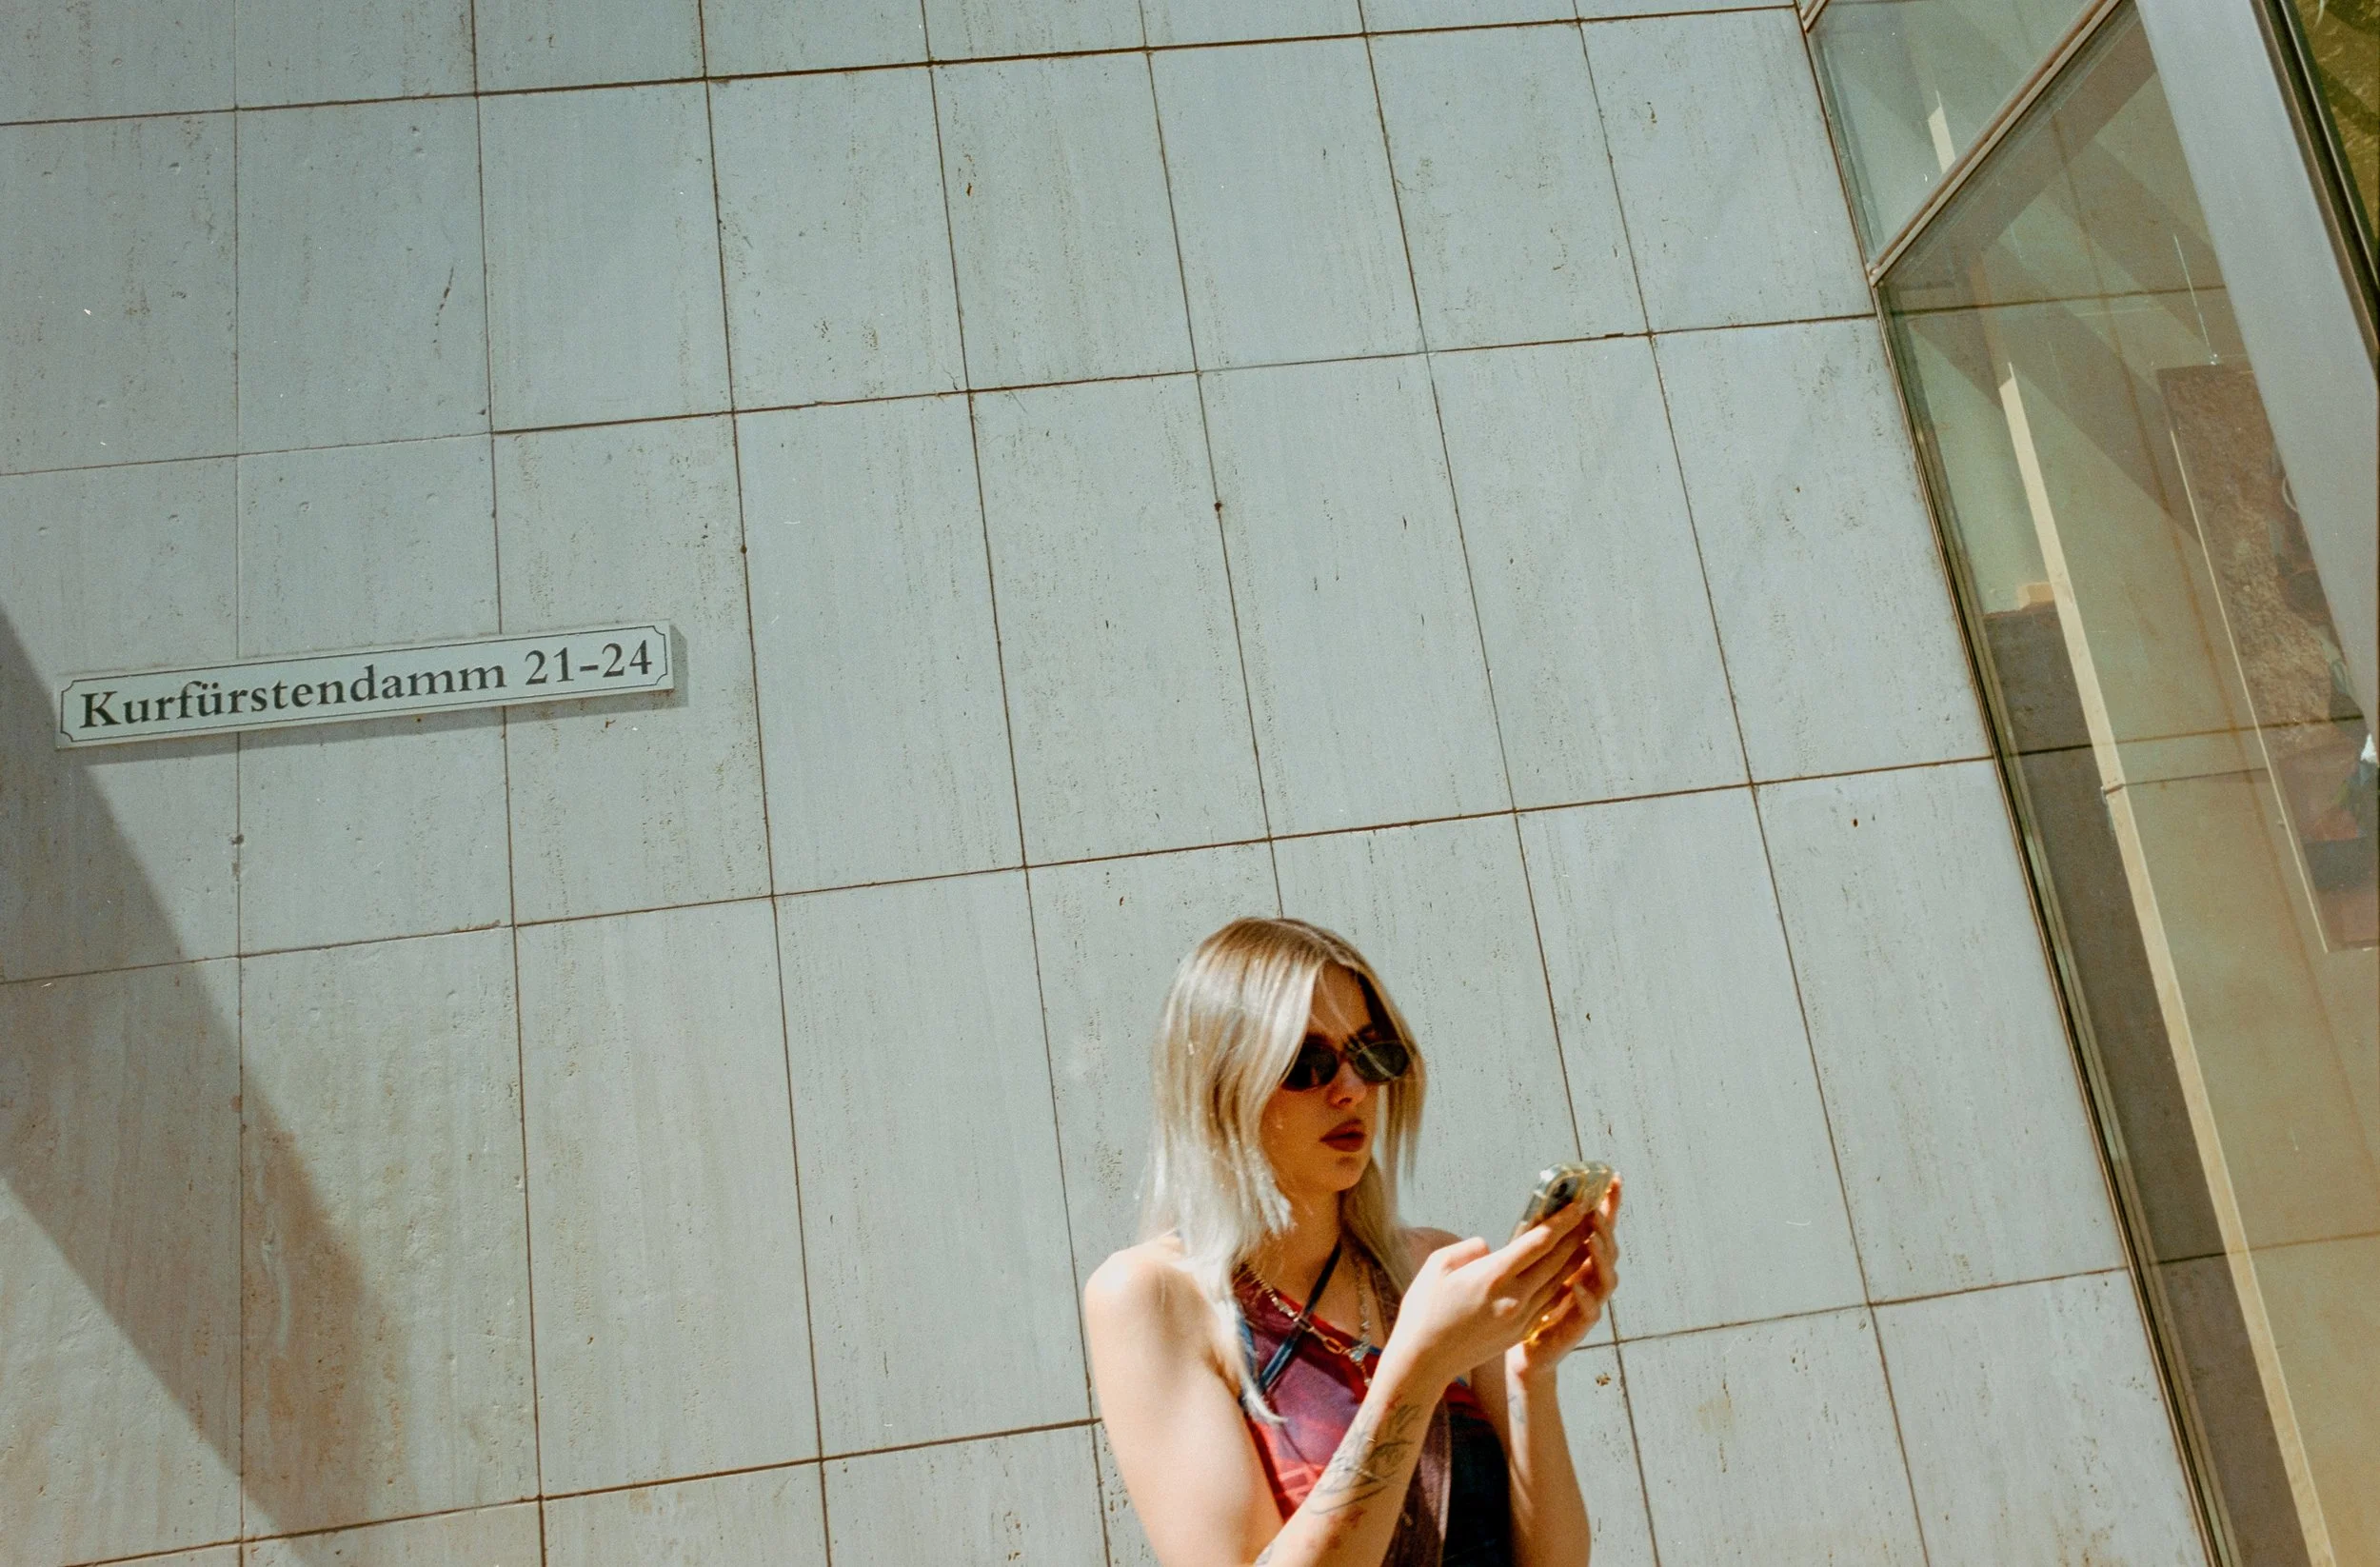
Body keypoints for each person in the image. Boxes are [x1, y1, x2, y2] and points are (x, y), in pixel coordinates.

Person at [1086, 916, 1622, 1567]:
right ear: (1224, 1085)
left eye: (1373, 1055)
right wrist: (1418, 1367)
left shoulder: (1426, 1268)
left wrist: (1528, 1373)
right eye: (1308, 1064)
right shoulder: (1153, 1296)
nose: (1353, 1090)